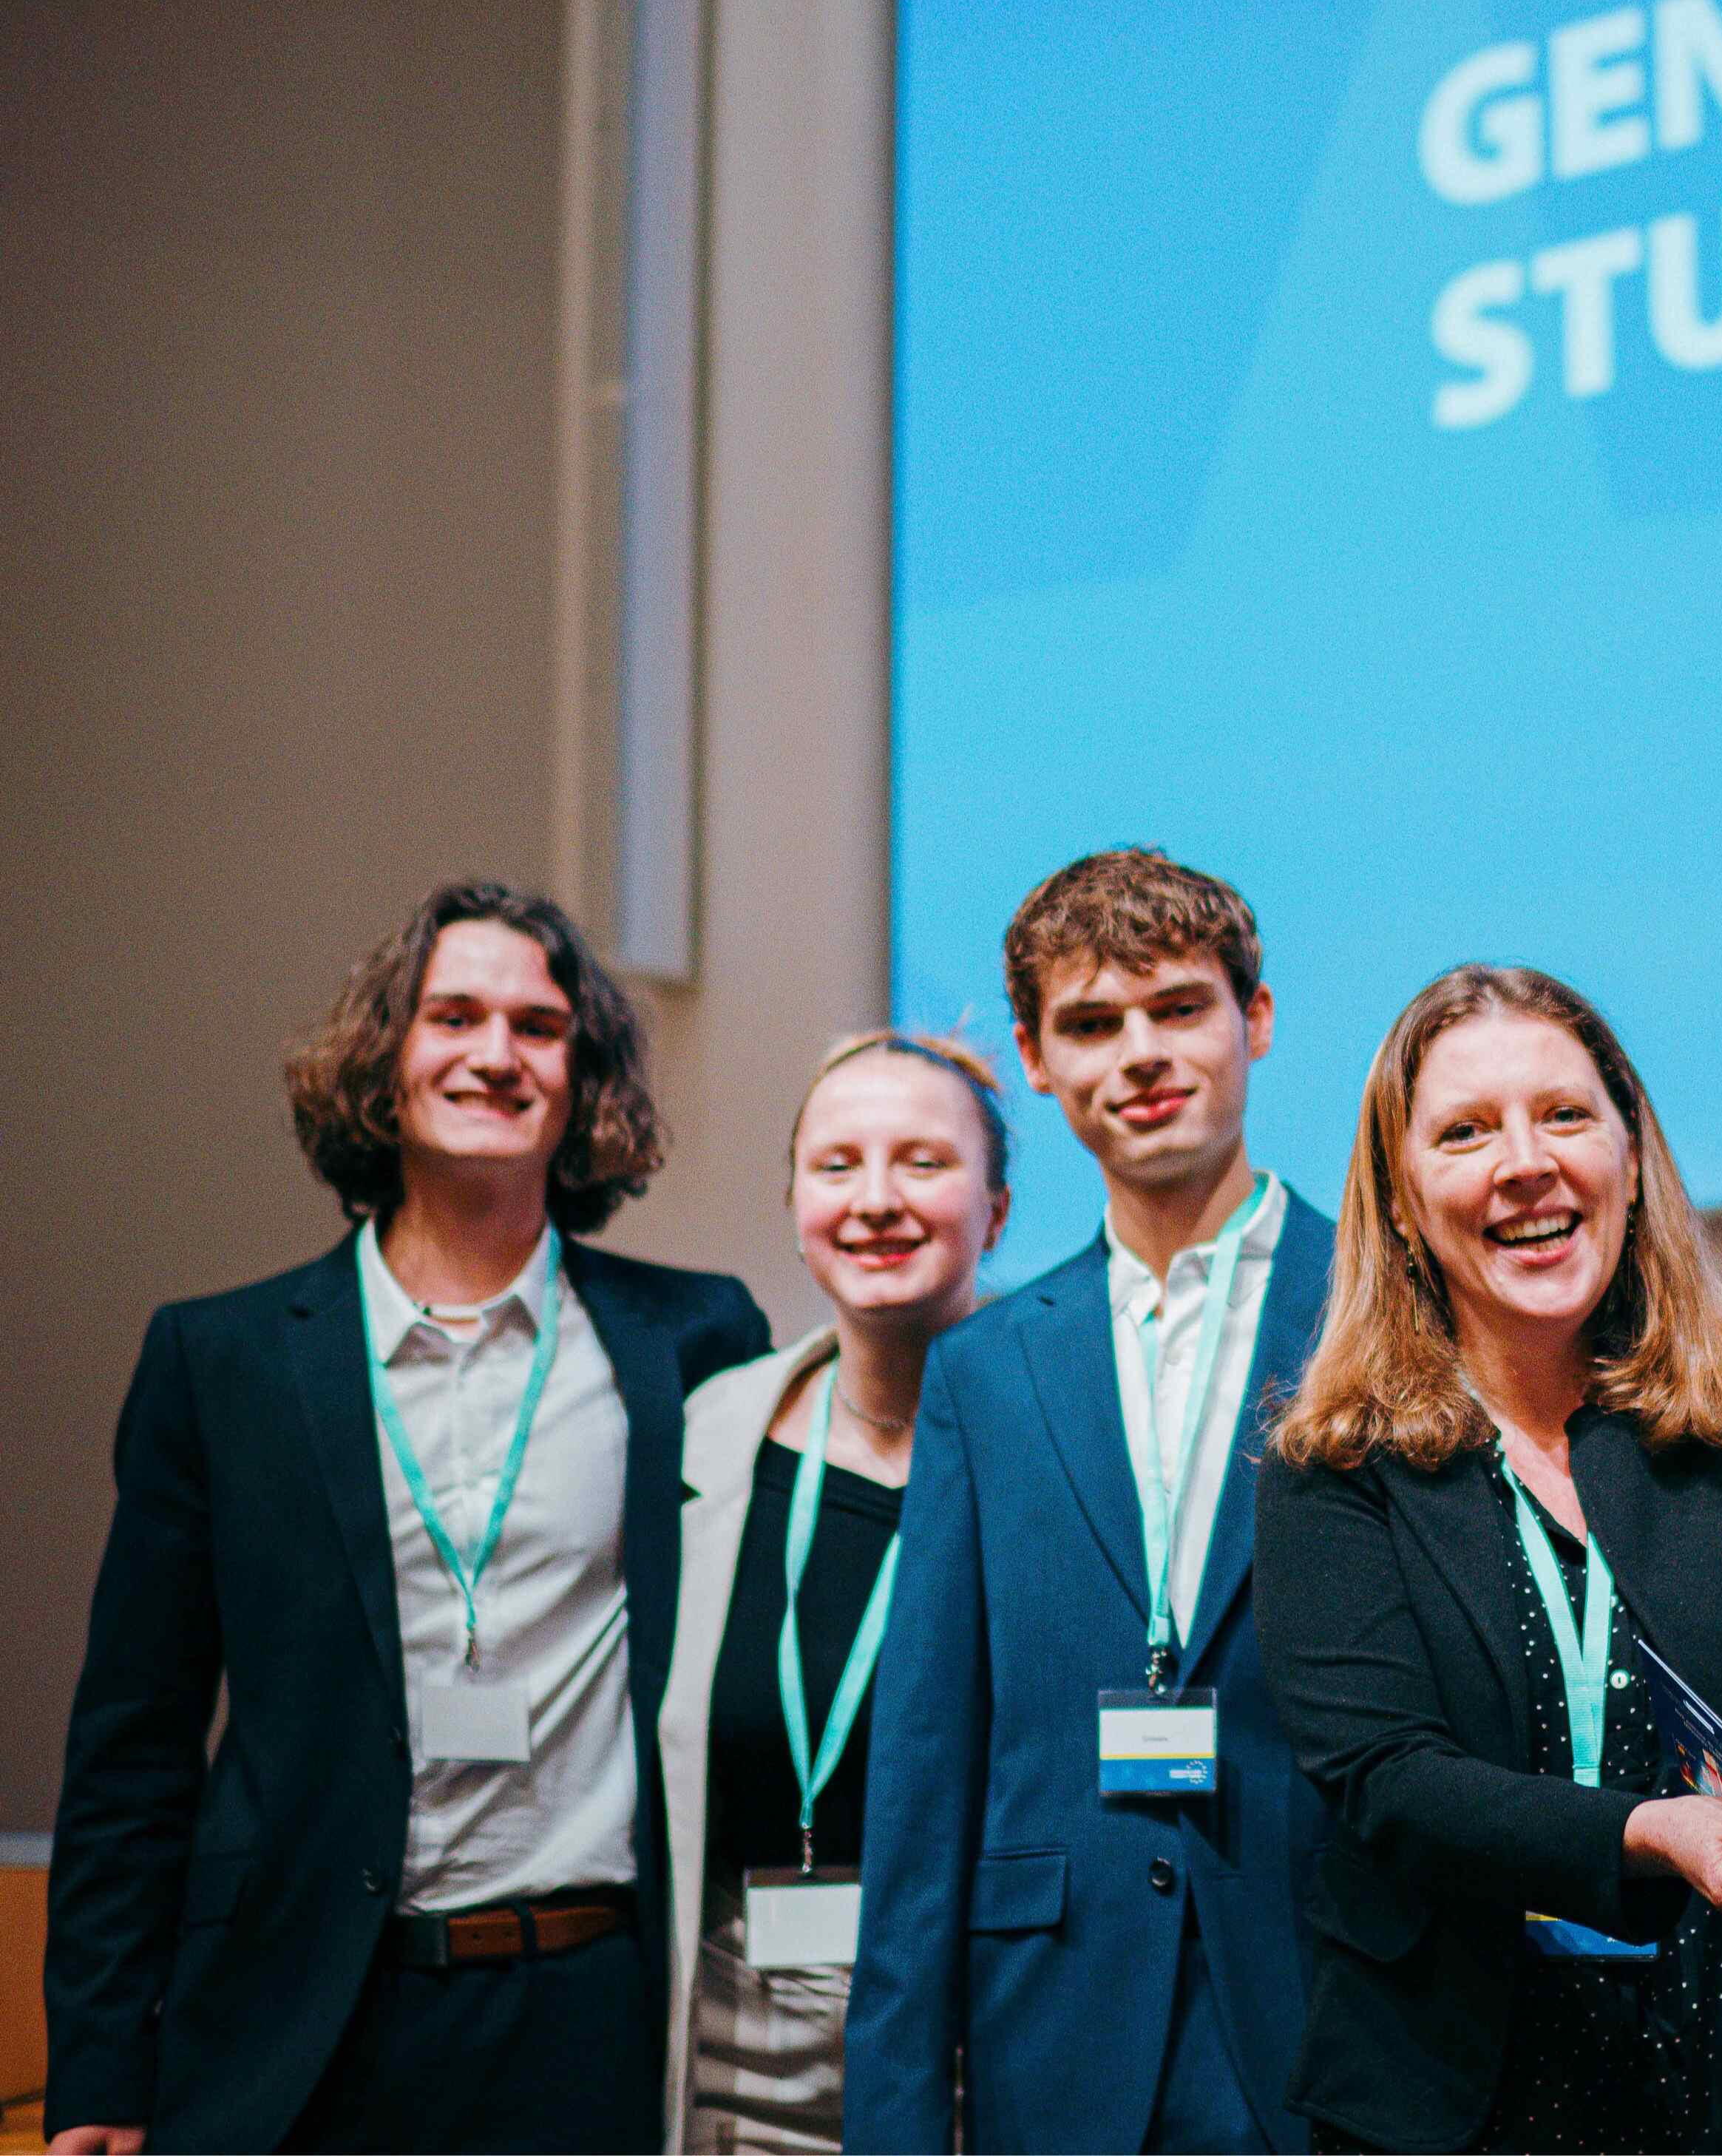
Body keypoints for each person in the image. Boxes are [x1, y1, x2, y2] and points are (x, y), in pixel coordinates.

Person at [46, 882, 770, 2155]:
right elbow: (133, 1748)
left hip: (592, 2010)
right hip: (303, 2015)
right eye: (454, 1016)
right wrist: (102, 2067)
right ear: (387, 1057)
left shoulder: (697, 1341)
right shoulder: (223, 1362)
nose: (495, 1054)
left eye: (538, 1027)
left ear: (584, 1077)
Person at [1259, 965, 1722, 2153]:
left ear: (1630, 1152)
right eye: (1466, 1131)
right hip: (1462, 2082)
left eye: (1565, 1114)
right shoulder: (1337, 1455)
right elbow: (1383, 1777)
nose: (1526, 1162)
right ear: (1405, 1199)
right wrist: (1641, 1831)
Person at [848, 849, 1333, 2154]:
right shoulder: (985, 1369)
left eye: (1180, 1007)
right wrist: (892, 2121)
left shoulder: (1382, 1305)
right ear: (1037, 1056)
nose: (1142, 1054)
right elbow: (925, 1755)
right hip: (1053, 2027)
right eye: (1093, 1023)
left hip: (1329, 2003)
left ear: (1258, 1020)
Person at [657, 1034, 1014, 2149]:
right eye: (838, 1164)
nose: (877, 1200)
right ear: (792, 1197)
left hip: (972, 2064)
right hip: (724, 2063)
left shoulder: (1053, 1452)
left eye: (922, 1162)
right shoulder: (707, 1436)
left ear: (996, 1209)